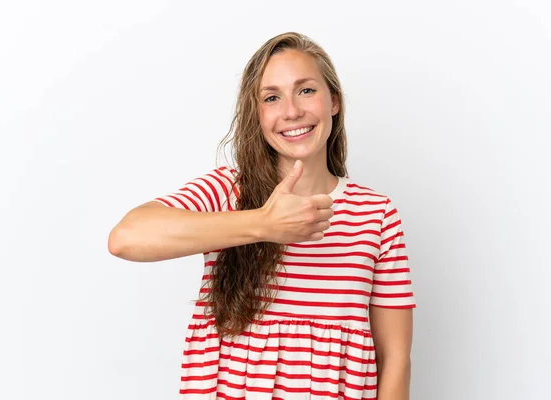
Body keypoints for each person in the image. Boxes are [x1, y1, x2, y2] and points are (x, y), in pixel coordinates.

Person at [108, 32, 416, 400]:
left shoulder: (375, 214)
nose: (291, 111)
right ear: (257, 115)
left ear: (334, 101)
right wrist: (264, 224)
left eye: (306, 91)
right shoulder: (227, 192)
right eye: (272, 98)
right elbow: (126, 238)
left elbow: (395, 358)